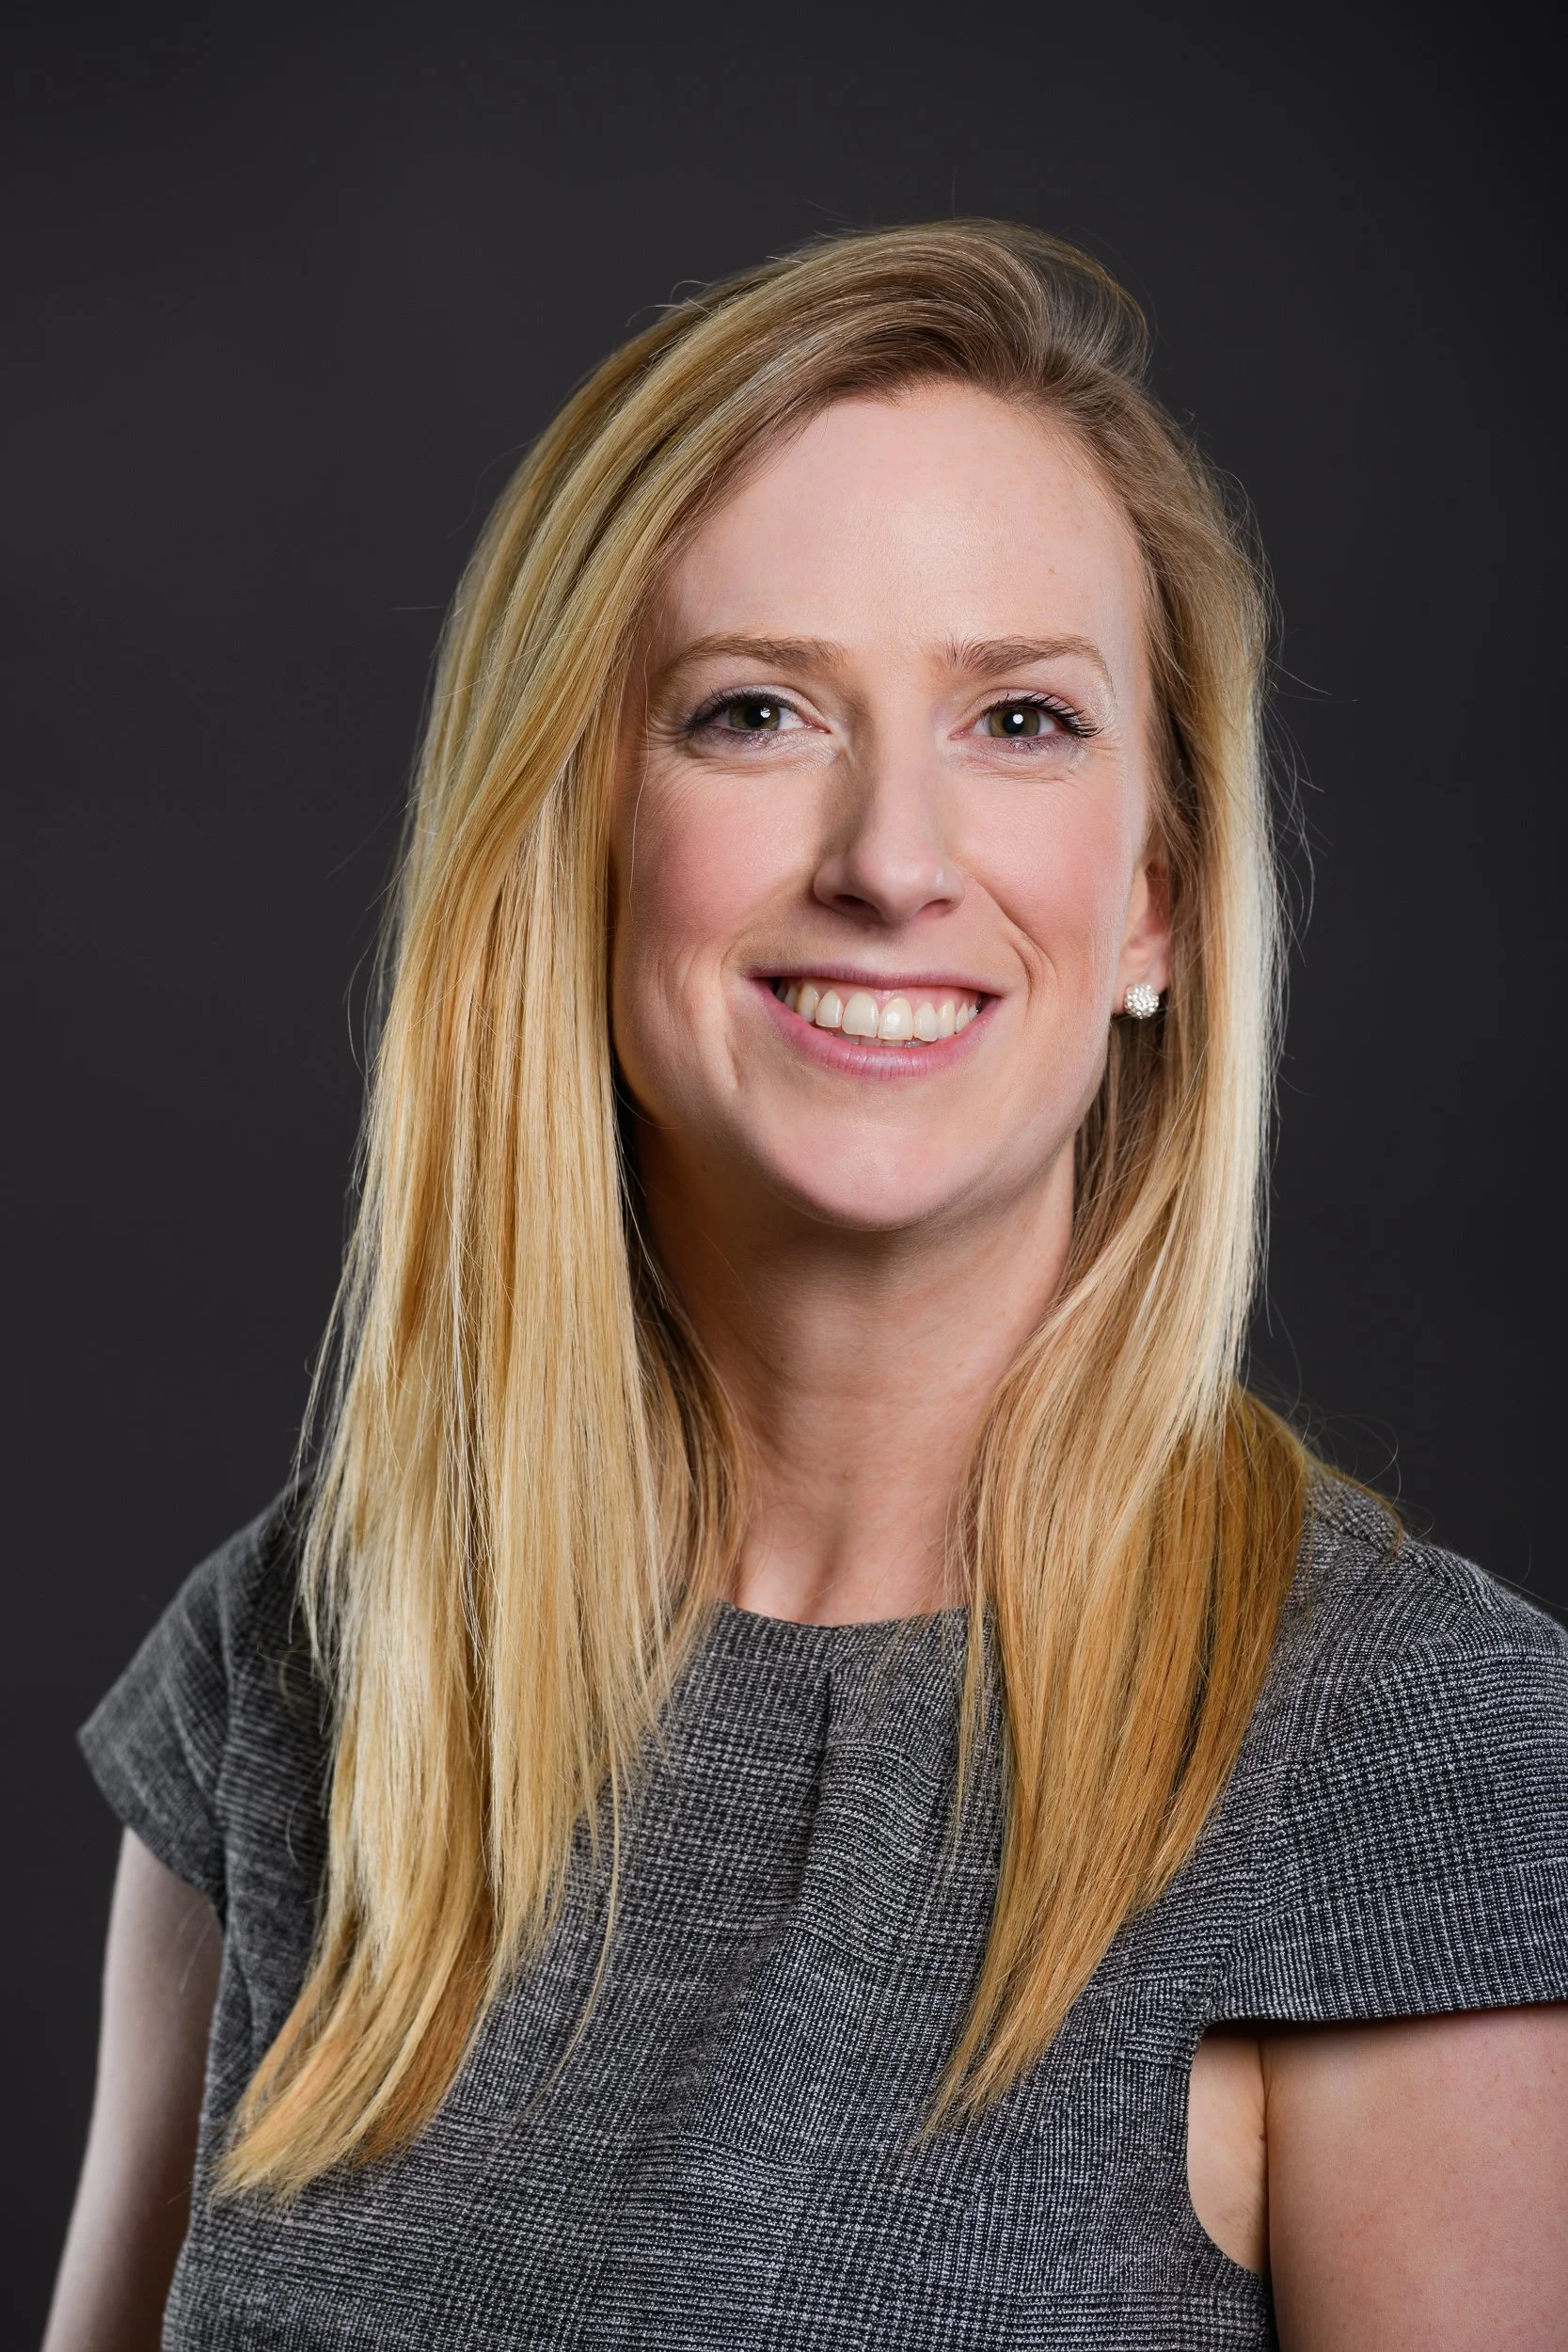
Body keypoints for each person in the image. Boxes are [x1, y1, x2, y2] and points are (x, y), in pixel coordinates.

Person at [44, 222, 1568, 2352]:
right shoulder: (288, 1673)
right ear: (570, 840)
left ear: (1151, 902)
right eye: (751, 711)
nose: (888, 854)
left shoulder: (1418, 1762)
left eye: (1018, 716)